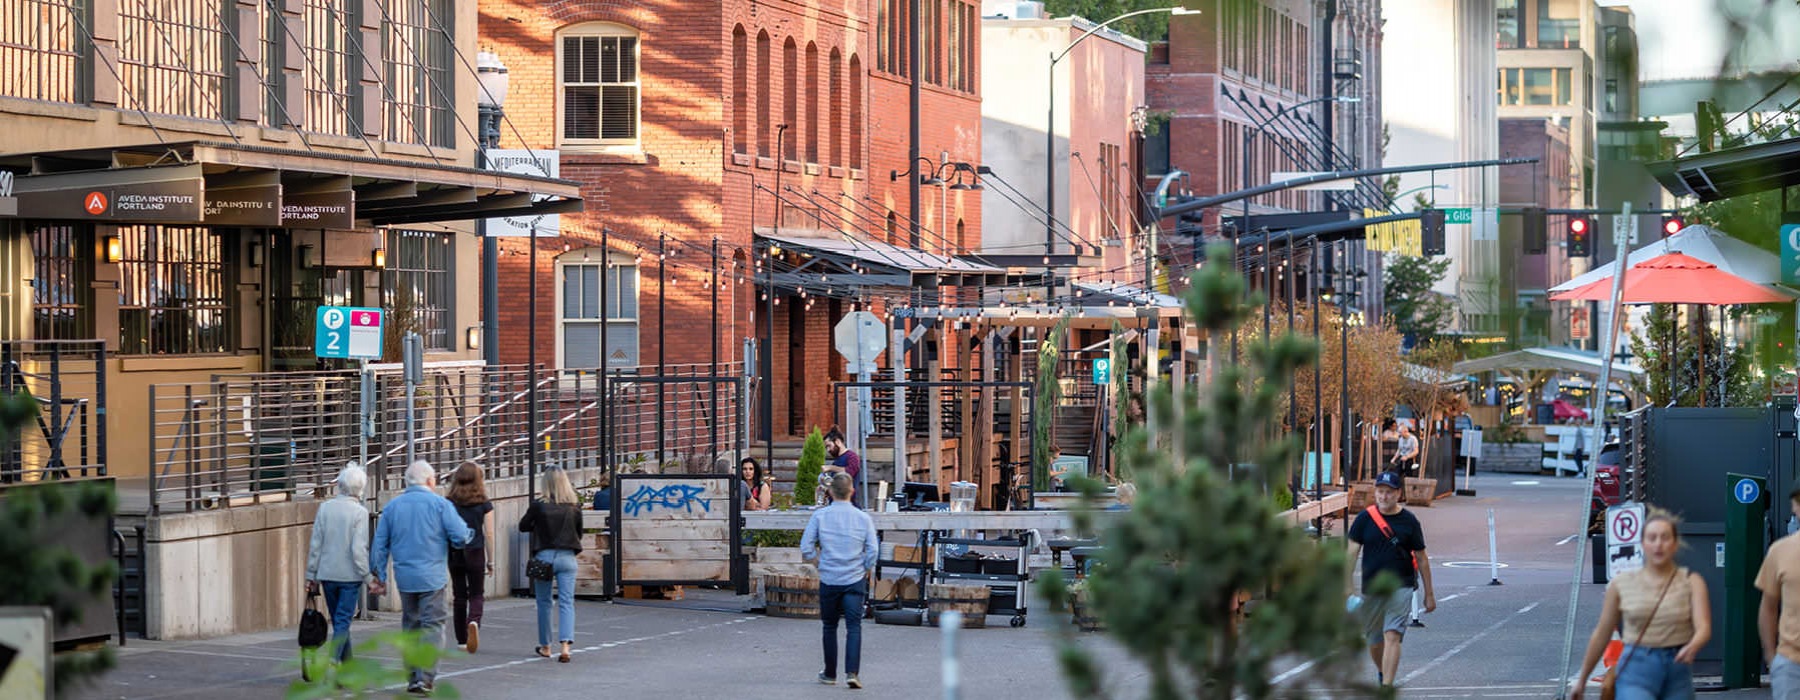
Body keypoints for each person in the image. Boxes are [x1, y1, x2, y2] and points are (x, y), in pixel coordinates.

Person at [1572, 511, 1711, 699]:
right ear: (1643, 544)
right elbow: (1602, 633)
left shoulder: (1691, 582)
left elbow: (1704, 627)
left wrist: (1693, 645)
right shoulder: (1621, 584)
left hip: (1677, 666)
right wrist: (1582, 680)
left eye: (1665, 538)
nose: (1658, 544)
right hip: (1636, 666)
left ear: (1675, 544)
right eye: (1652, 538)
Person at [369, 461, 471, 696]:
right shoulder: (440, 505)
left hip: (405, 577)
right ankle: (426, 677)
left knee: (411, 625)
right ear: (430, 481)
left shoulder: (393, 507)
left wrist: (380, 576)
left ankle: (413, 676)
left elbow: (380, 545)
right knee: (433, 626)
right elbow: (459, 535)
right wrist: (461, 539)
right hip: (432, 576)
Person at [1346, 470, 1435, 688]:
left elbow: (1422, 558)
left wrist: (1429, 594)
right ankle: (1382, 671)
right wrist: (1346, 588)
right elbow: (1350, 554)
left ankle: (1386, 686)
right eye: (1380, 491)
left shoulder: (1409, 521)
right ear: (1375, 492)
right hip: (1372, 588)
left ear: (1398, 494)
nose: (1383, 496)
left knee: (1392, 634)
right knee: (1375, 641)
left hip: (1401, 585)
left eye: (1388, 492)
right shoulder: (1364, 519)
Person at [801, 472, 878, 689]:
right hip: (854, 577)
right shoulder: (863, 518)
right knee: (854, 626)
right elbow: (873, 549)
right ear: (852, 491)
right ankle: (852, 672)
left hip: (829, 576)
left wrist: (816, 561)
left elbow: (806, 546)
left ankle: (830, 672)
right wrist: (865, 568)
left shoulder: (820, 516)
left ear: (830, 492)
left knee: (829, 626)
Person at [304, 463, 370, 664]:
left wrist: (311, 575)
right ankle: (333, 660)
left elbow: (316, 544)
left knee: (340, 622)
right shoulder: (360, 513)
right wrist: (367, 575)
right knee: (343, 622)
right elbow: (358, 550)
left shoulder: (325, 508)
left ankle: (347, 669)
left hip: (327, 574)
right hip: (350, 576)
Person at [519, 468, 584, 663]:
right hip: (567, 556)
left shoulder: (538, 506)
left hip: (544, 556)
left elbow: (523, 526)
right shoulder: (574, 506)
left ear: (545, 483)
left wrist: (537, 525)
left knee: (544, 602)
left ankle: (546, 645)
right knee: (567, 601)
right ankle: (565, 646)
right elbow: (579, 533)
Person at [444, 461, 494, 654]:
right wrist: (491, 561)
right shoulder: (484, 504)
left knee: (459, 596)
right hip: (476, 551)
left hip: (455, 551)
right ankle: (473, 621)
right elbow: (489, 533)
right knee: (476, 593)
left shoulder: (449, 503)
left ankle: (461, 640)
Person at [1758, 488, 1800, 699]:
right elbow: (1768, 607)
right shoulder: (1779, 551)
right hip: (1791, 664)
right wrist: (1772, 658)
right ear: (1795, 507)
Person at [823, 428, 864, 509]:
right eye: (826, 447)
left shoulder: (852, 456)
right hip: (835, 505)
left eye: (829, 446)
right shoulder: (837, 461)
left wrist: (831, 467)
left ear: (837, 442)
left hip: (850, 505)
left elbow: (850, 472)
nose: (828, 450)